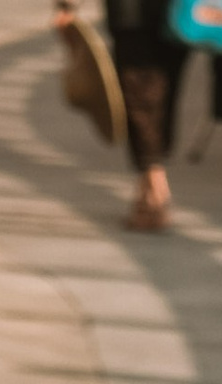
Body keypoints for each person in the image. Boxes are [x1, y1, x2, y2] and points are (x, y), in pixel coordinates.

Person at [54, 0, 187, 230]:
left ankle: (154, 183)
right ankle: (151, 181)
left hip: (143, 14)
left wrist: (67, 6)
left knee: (142, 94)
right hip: (166, 11)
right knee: (156, 91)